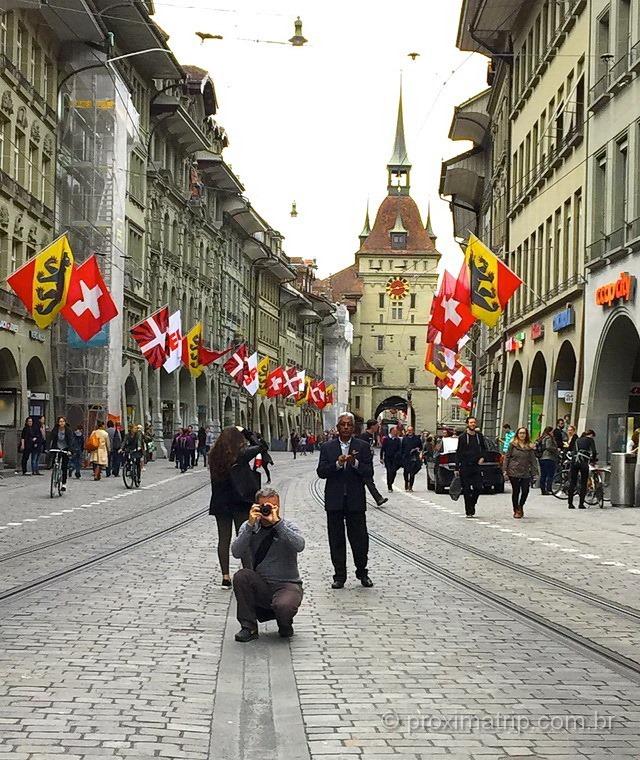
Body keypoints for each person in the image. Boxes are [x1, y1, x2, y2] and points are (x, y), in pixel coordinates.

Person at [231, 486, 305, 642]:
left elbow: (300, 545)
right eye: (264, 507)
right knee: (241, 576)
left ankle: (284, 622)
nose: (267, 510)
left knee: (284, 606)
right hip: (261, 584)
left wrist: (277, 523)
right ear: (257, 506)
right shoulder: (249, 526)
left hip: (287, 585)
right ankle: (248, 627)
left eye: (272, 507)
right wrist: (250, 526)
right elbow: (236, 552)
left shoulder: (288, 526)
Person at [317, 412, 374, 589]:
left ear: (354, 427)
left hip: (355, 499)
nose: (347, 428)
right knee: (336, 539)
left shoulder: (362, 446)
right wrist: (337, 464)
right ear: (338, 427)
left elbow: (369, 472)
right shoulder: (327, 447)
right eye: (343, 425)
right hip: (334, 500)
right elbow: (321, 472)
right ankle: (339, 575)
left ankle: (362, 572)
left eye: (349, 424)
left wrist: (355, 463)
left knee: (360, 538)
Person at [209, 426, 265, 588]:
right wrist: (248, 432)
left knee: (223, 540)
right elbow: (262, 446)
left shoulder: (213, 455)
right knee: (244, 538)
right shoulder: (240, 455)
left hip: (220, 503)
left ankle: (225, 577)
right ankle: (248, 574)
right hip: (240, 502)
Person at [455, 417, 488, 518]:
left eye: (474, 422)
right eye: (471, 422)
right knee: (466, 489)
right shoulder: (462, 437)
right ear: (467, 424)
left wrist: (482, 457)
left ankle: (472, 503)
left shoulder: (479, 436)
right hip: (465, 466)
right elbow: (458, 453)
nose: (473, 424)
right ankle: (468, 510)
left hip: (476, 466)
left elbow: (484, 449)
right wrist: (457, 468)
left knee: (478, 487)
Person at [503, 427, 539, 518]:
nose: (522, 435)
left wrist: (535, 473)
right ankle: (516, 509)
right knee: (516, 490)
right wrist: (505, 469)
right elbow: (507, 457)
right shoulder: (513, 444)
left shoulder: (529, 446)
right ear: (517, 434)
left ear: (526, 435)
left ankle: (521, 505)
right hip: (513, 470)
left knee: (525, 490)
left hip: (525, 471)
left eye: (524, 433)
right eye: (520, 433)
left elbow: (533, 460)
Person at [357, 419, 388, 507]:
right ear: (372, 426)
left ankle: (377, 498)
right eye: (377, 425)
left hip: (368, 461)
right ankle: (378, 498)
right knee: (368, 481)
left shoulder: (371, 435)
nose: (378, 427)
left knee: (366, 481)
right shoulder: (364, 436)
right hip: (363, 462)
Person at [568, 429, 598, 509]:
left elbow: (572, 449)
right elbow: (594, 452)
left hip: (574, 461)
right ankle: (581, 504)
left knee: (573, 482)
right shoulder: (590, 440)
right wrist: (593, 460)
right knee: (583, 483)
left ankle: (570, 503)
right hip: (583, 462)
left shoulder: (577, 440)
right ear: (591, 435)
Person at [47, 416, 74, 491]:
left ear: (65, 422)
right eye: (60, 421)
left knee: (64, 466)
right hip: (57, 447)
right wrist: (48, 448)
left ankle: (64, 483)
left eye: (63, 421)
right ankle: (55, 473)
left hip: (65, 448)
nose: (61, 423)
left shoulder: (68, 430)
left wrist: (70, 450)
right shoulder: (55, 429)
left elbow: (71, 441)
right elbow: (50, 438)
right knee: (56, 461)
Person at [536, 426, 559, 495]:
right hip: (549, 457)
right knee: (550, 475)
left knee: (543, 475)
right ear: (549, 431)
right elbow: (548, 446)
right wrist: (556, 449)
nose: (553, 433)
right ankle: (549, 489)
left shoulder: (542, 437)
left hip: (541, 458)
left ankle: (543, 489)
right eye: (552, 431)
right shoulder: (548, 438)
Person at [380, 426, 402, 493]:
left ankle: (391, 482)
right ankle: (389, 486)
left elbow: (399, 449)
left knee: (394, 472)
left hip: (395, 459)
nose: (396, 432)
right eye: (395, 431)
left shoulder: (397, 439)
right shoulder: (386, 439)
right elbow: (382, 449)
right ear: (391, 431)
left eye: (396, 431)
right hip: (388, 458)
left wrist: (398, 454)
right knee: (389, 471)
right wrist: (381, 457)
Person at [401, 426, 422, 492]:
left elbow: (420, 447)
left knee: (412, 473)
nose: (409, 431)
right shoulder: (405, 438)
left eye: (411, 430)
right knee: (406, 472)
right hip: (406, 457)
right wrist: (402, 457)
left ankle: (411, 486)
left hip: (414, 457)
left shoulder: (417, 438)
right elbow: (402, 448)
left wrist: (417, 449)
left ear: (413, 431)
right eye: (408, 430)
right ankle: (406, 483)